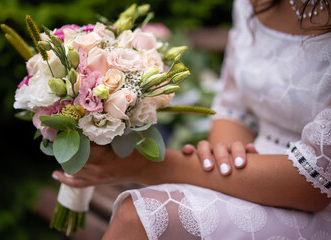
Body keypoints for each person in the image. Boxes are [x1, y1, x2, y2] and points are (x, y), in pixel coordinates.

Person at [52, 0, 331, 239]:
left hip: (312, 199)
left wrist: (143, 166)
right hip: (249, 167)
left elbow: (313, 182)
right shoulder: (252, 2)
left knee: (139, 216)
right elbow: (234, 108)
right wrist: (226, 159)